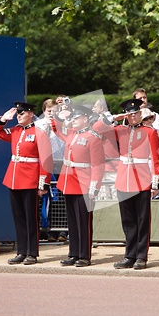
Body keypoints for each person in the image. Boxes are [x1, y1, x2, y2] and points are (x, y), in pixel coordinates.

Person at [93, 98, 159, 270]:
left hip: (142, 179)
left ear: (140, 113)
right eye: (129, 114)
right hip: (124, 179)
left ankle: (141, 256)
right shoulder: (120, 129)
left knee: (142, 220)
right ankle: (129, 255)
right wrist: (115, 117)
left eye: (135, 113)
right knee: (128, 221)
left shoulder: (149, 132)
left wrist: (155, 182)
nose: (132, 116)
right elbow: (97, 128)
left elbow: (155, 158)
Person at [0, 101, 53, 265]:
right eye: (17, 114)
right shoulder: (16, 130)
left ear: (31, 114)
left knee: (31, 218)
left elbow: (46, 159)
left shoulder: (39, 132)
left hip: (31, 179)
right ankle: (21, 251)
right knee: (18, 218)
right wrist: (3, 119)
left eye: (22, 113)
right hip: (14, 178)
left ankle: (32, 252)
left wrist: (43, 183)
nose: (18, 116)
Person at [52, 104, 105, 267]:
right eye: (73, 117)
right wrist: (61, 115)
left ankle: (84, 255)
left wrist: (94, 186)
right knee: (73, 221)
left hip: (84, 182)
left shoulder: (93, 137)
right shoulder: (72, 134)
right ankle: (74, 253)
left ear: (85, 119)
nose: (73, 120)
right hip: (69, 181)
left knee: (83, 221)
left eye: (76, 117)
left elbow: (98, 165)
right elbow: (56, 128)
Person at [35, 99, 67, 242]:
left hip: (59, 164)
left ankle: (61, 231)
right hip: (43, 165)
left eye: (54, 111)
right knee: (44, 199)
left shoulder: (62, 125)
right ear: (44, 111)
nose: (51, 114)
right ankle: (46, 230)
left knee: (60, 198)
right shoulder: (38, 125)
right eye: (49, 111)